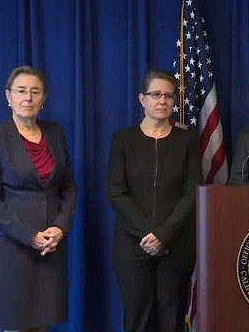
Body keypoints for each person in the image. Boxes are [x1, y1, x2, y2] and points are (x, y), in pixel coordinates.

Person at [107, 69, 200, 332]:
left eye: (168, 96)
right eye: (155, 94)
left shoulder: (187, 140)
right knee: (137, 317)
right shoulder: (123, 140)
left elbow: (192, 192)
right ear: (142, 99)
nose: (162, 101)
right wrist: (149, 234)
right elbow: (116, 191)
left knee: (172, 318)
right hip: (132, 244)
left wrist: (164, 235)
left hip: (176, 244)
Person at [0, 65, 76, 331]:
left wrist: (60, 227)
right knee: (16, 324)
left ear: (43, 98)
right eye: (21, 91)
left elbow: (69, 187)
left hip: (51, 246)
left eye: (35, 92)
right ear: (8, 96)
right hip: (14, 246)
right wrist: (29, 236)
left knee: (43, 323)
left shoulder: (55, 133)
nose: (28, 97)